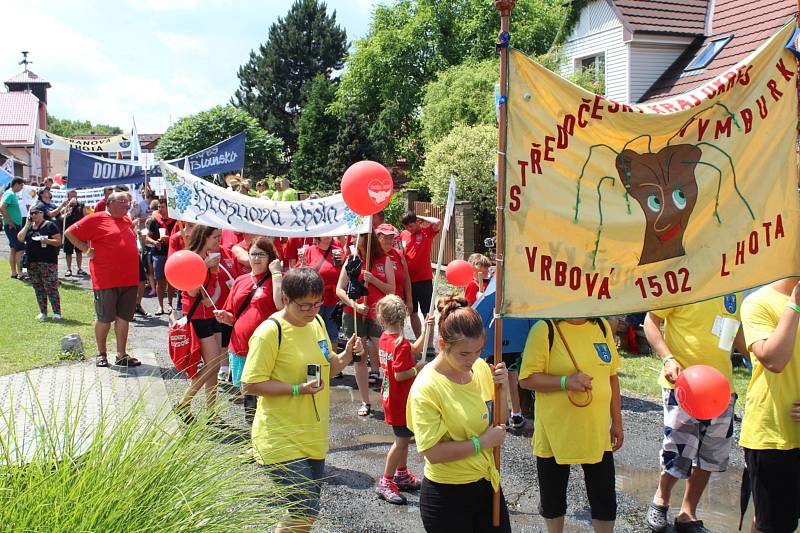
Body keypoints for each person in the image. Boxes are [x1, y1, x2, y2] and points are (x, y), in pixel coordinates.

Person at [241, 268, 363, 533]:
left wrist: (348, 355)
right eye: (305, 305)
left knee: (304, 512)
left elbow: (330, 367)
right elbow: (249, 384)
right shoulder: (270, 332)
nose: (312, 310)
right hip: (279, 436)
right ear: (285, 299)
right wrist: (296, 389)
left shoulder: (317, 323)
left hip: (312, 433)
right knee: (305, 507)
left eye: (317, 303)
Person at [407, 296, 510, 532]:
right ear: (443, 345)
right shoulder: (427, 387)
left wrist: (502, 390)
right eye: (464, 354)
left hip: (487, 484)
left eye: (478, 351)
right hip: (446, 494)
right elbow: (431, 452)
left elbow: (498, 422)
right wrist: (481, 442)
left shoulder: (481, 368)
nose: (472, 359)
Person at [642, 296, 745, 533]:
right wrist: (667, 359)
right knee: (678, 449)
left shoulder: (735, 287)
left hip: (721, 391)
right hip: (684, 386)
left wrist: (761, 354)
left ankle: (688, 513)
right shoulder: (688, 280)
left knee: (710, 455)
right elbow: (651, 320)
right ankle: (661, 499)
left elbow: (737, 334)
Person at [519, 318, 623, 533]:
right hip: (555, 432)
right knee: (553, 499)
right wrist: (566, 382)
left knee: (605, 499)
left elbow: (612, 377)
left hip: (596, 430)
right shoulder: (544, 329)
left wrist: (617, 423)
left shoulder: (602, 326)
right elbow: (526, 379)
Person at [739, 279, 800, 533]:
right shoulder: (758, 302)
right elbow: (774, 360)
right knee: (773, 525)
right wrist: (795, 304)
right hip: (773, 436)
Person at [65, 191, 141, 368]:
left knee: (124, 318)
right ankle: (101, 353)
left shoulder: (127, 219)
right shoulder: (96, 219)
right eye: (122, 201)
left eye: (128, 201)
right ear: (110, 203)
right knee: (105, 318)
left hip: (129, 278)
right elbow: (69, 233)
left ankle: (121, 354)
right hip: (106, 278)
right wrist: (86, 249)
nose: (127, 205)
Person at [213, 237, 283, 425]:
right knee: (249, 394)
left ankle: (266, 433)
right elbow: (232, 314)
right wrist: (225, 317)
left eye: (262, 254)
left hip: (266, 347)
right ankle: (253, 435)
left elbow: (280, 304)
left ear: (271, 258)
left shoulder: (276, 280)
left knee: (265, 394)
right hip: (241, 345)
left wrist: (276, 274)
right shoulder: (240, 280)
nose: (257, 258)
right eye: (253, 254)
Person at [374, 294, 432, 505]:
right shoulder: (401, 344)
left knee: (405, 438)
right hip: (400, 400)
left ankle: (402, 474)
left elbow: (413, 349)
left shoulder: (387, 339)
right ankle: (386, 481)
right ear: (404, 317)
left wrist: (426, 330)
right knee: (400, 442)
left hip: (392, 397)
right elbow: (401, 374)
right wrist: (418, 367)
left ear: (382, 319)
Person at [336, 232, 395, 417]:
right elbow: (339, 289)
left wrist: (373, 280)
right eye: (352, 237)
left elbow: (391, 289)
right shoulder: (351, 260)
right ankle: (365, 401)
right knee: (359, 358)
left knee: (383, 356)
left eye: (357, 237)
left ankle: (390, 400)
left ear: (367, 239)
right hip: (353, 314)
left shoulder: (383, 260)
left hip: (378, 315)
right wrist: (354, 305)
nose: (352, 240)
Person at [172, 225, 226, 423]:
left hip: (210, 313)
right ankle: (184, 402)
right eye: (215, 237)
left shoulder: (212, 256)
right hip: (196, 316)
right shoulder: (192, 258)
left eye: (219, 237)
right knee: (211, 363)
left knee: (216, 364)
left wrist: (213, 297)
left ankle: (211, 412)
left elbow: (217, 286)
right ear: (203, 237)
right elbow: (192, 291)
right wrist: (204, 265)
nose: (218, 241)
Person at [400, 211, 441, 352]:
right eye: (407, 227)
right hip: (408, 280)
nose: (410, 229)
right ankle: (420, 342)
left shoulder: (426, 232)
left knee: (427, 313)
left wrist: (421, 218)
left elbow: (437, 222)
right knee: (412, 311)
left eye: (412, 226)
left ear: (417, 222)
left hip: (424, 279)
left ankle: (429, 344)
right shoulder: (403, 235)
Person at [17, 206, 62, 320]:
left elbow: (58, 241)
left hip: (48, 261)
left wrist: (46, 241)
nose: (33, 215)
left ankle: (57, 312)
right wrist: (27, 225)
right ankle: (43, 311)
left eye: (36, 213)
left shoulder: (50, 225)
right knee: (38, 287)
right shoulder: (30, 227)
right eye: (31, 213)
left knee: (51, 287)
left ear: (42, 213)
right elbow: (20, 238)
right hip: (32, 261)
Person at [301, 235, 343, 343]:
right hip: (314, 298)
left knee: (332, 333)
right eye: (325, 233)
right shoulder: (309, 251)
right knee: (313, 331)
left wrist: (344, 261)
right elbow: (300, 273)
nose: (328, 236)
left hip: (333, 299)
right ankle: (316, 357)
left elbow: (345, 273)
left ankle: (332, 359)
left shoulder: (338, 251)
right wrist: (302, 265)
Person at [144, 198, 177, 315]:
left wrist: (171, 239)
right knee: (160, 280)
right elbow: (147, 237)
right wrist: (154, 242)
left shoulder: (175, 221)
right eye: (158, 207)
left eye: (162, 207)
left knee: (171, 280)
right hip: (159, 253)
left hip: (172, 253)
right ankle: (160, 306)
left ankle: (170, 304)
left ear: (168, 208)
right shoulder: (155, 221)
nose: (160, 209)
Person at [376, 224, 413, 314]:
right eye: (385, 237)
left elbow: (406, 279)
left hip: (396, 306)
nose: (389, 241)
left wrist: (409, 301)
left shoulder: (399, 255)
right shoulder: (372, 256)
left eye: (391, 237)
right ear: (377, 237)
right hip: (377, 307)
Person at [2, 177, 26, 279]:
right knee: (21, 248)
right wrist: (11, 222)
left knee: (13, 249)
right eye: (21, 185)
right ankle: (20, 273)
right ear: (16, 184)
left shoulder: (11, 194)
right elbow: (2, 208)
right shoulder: (10, 194)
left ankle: (14, 272)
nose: (21, 188)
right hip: (13, 226)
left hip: (13, 225)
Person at [61, 191, 87, 277]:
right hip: (68, 231)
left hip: (79, 231)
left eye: (75, 196)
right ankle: (69, 269)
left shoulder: (81, 205)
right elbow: (60, 217)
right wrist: (68, 209)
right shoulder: (65, 205)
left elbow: (85, 216)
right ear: (68, 196)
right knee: (68, 251)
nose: (73, 197)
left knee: (79, 250)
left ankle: (79, 268)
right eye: (71, 196)